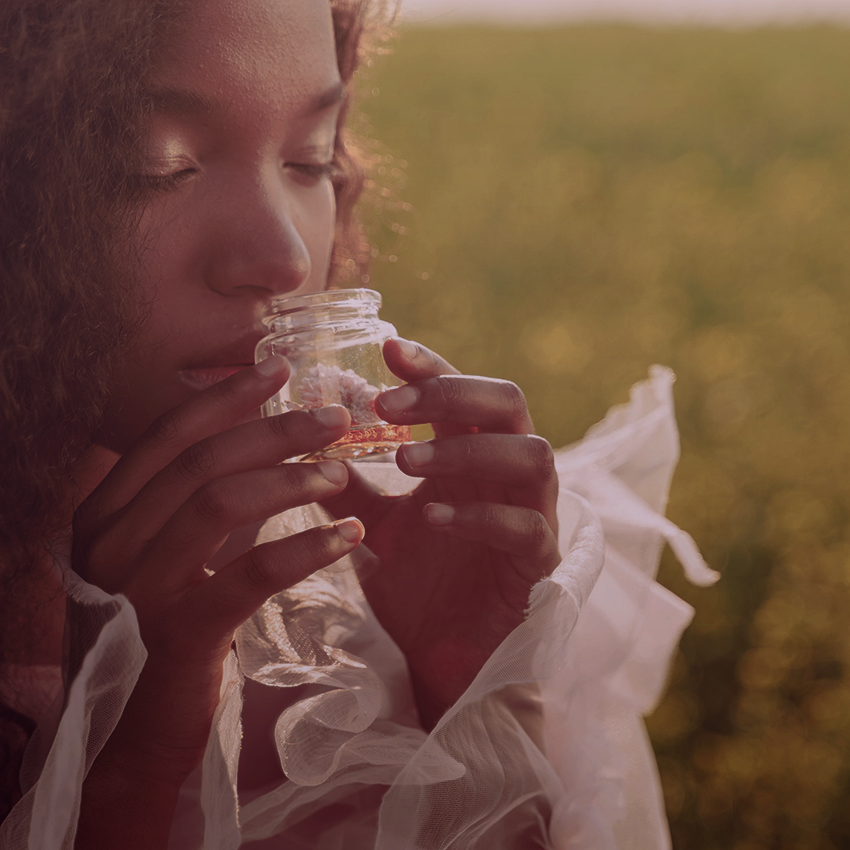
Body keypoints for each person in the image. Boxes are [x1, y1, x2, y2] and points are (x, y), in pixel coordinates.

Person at [0, 0, 718, 847]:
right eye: (157, 164)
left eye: (310, 159)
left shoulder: (380, 590)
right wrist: (131, 766)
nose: (286, 259)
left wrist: (471, 695)